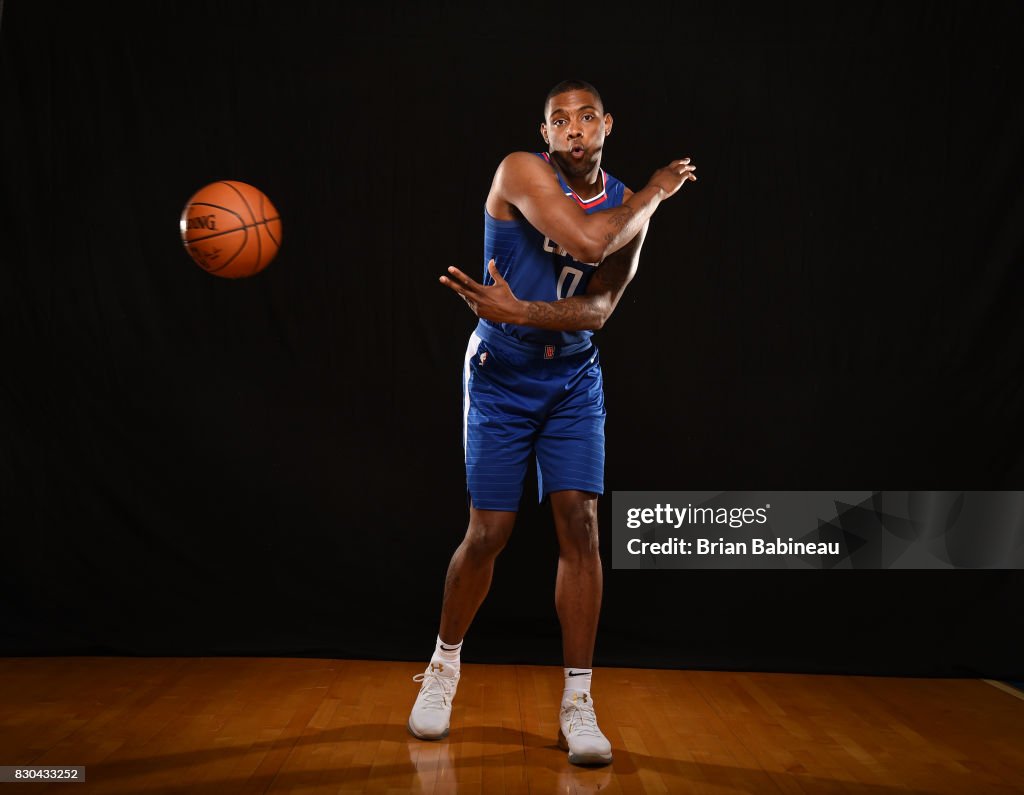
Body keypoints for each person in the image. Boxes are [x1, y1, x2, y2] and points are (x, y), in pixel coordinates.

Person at [408, 79, 697, 766]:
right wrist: (656, 190)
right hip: (501, 373)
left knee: (583, 524)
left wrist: (525, 311)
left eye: (586, 117)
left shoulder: (628, 206)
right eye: (559, 120)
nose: (573, 129)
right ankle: (444, 666)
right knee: (490, 531)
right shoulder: (521, 170)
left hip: (570, 375)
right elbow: (588, 246)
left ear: (607, 126)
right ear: (545, 135)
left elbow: (599, 311)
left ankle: (578, 700)